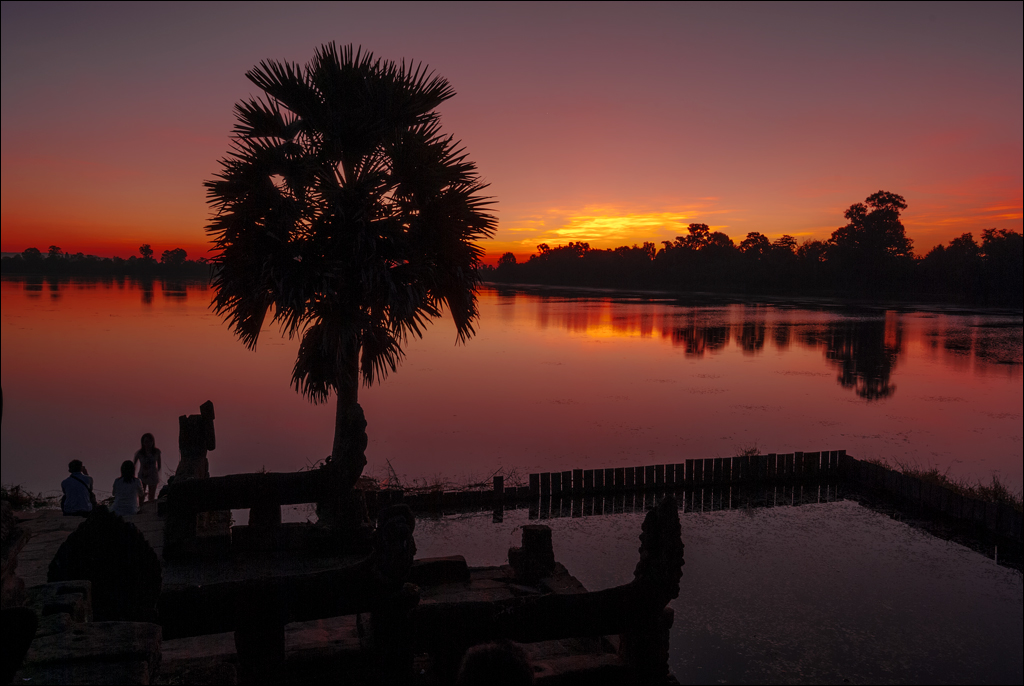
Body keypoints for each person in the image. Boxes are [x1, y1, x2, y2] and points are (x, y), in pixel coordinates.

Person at [134, 433, 162, 502]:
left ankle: (150, 511)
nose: (148, 444)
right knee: (141, 496)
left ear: (153, 442)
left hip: (153, 476)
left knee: (151, 497)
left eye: (150, 441)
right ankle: (141, 510)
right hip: (142, 475)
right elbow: (133, 465)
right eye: (146, 442)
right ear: (143, 443)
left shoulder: (156, 452)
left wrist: (155, 473)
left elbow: (159, 465)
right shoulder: (140, 453)